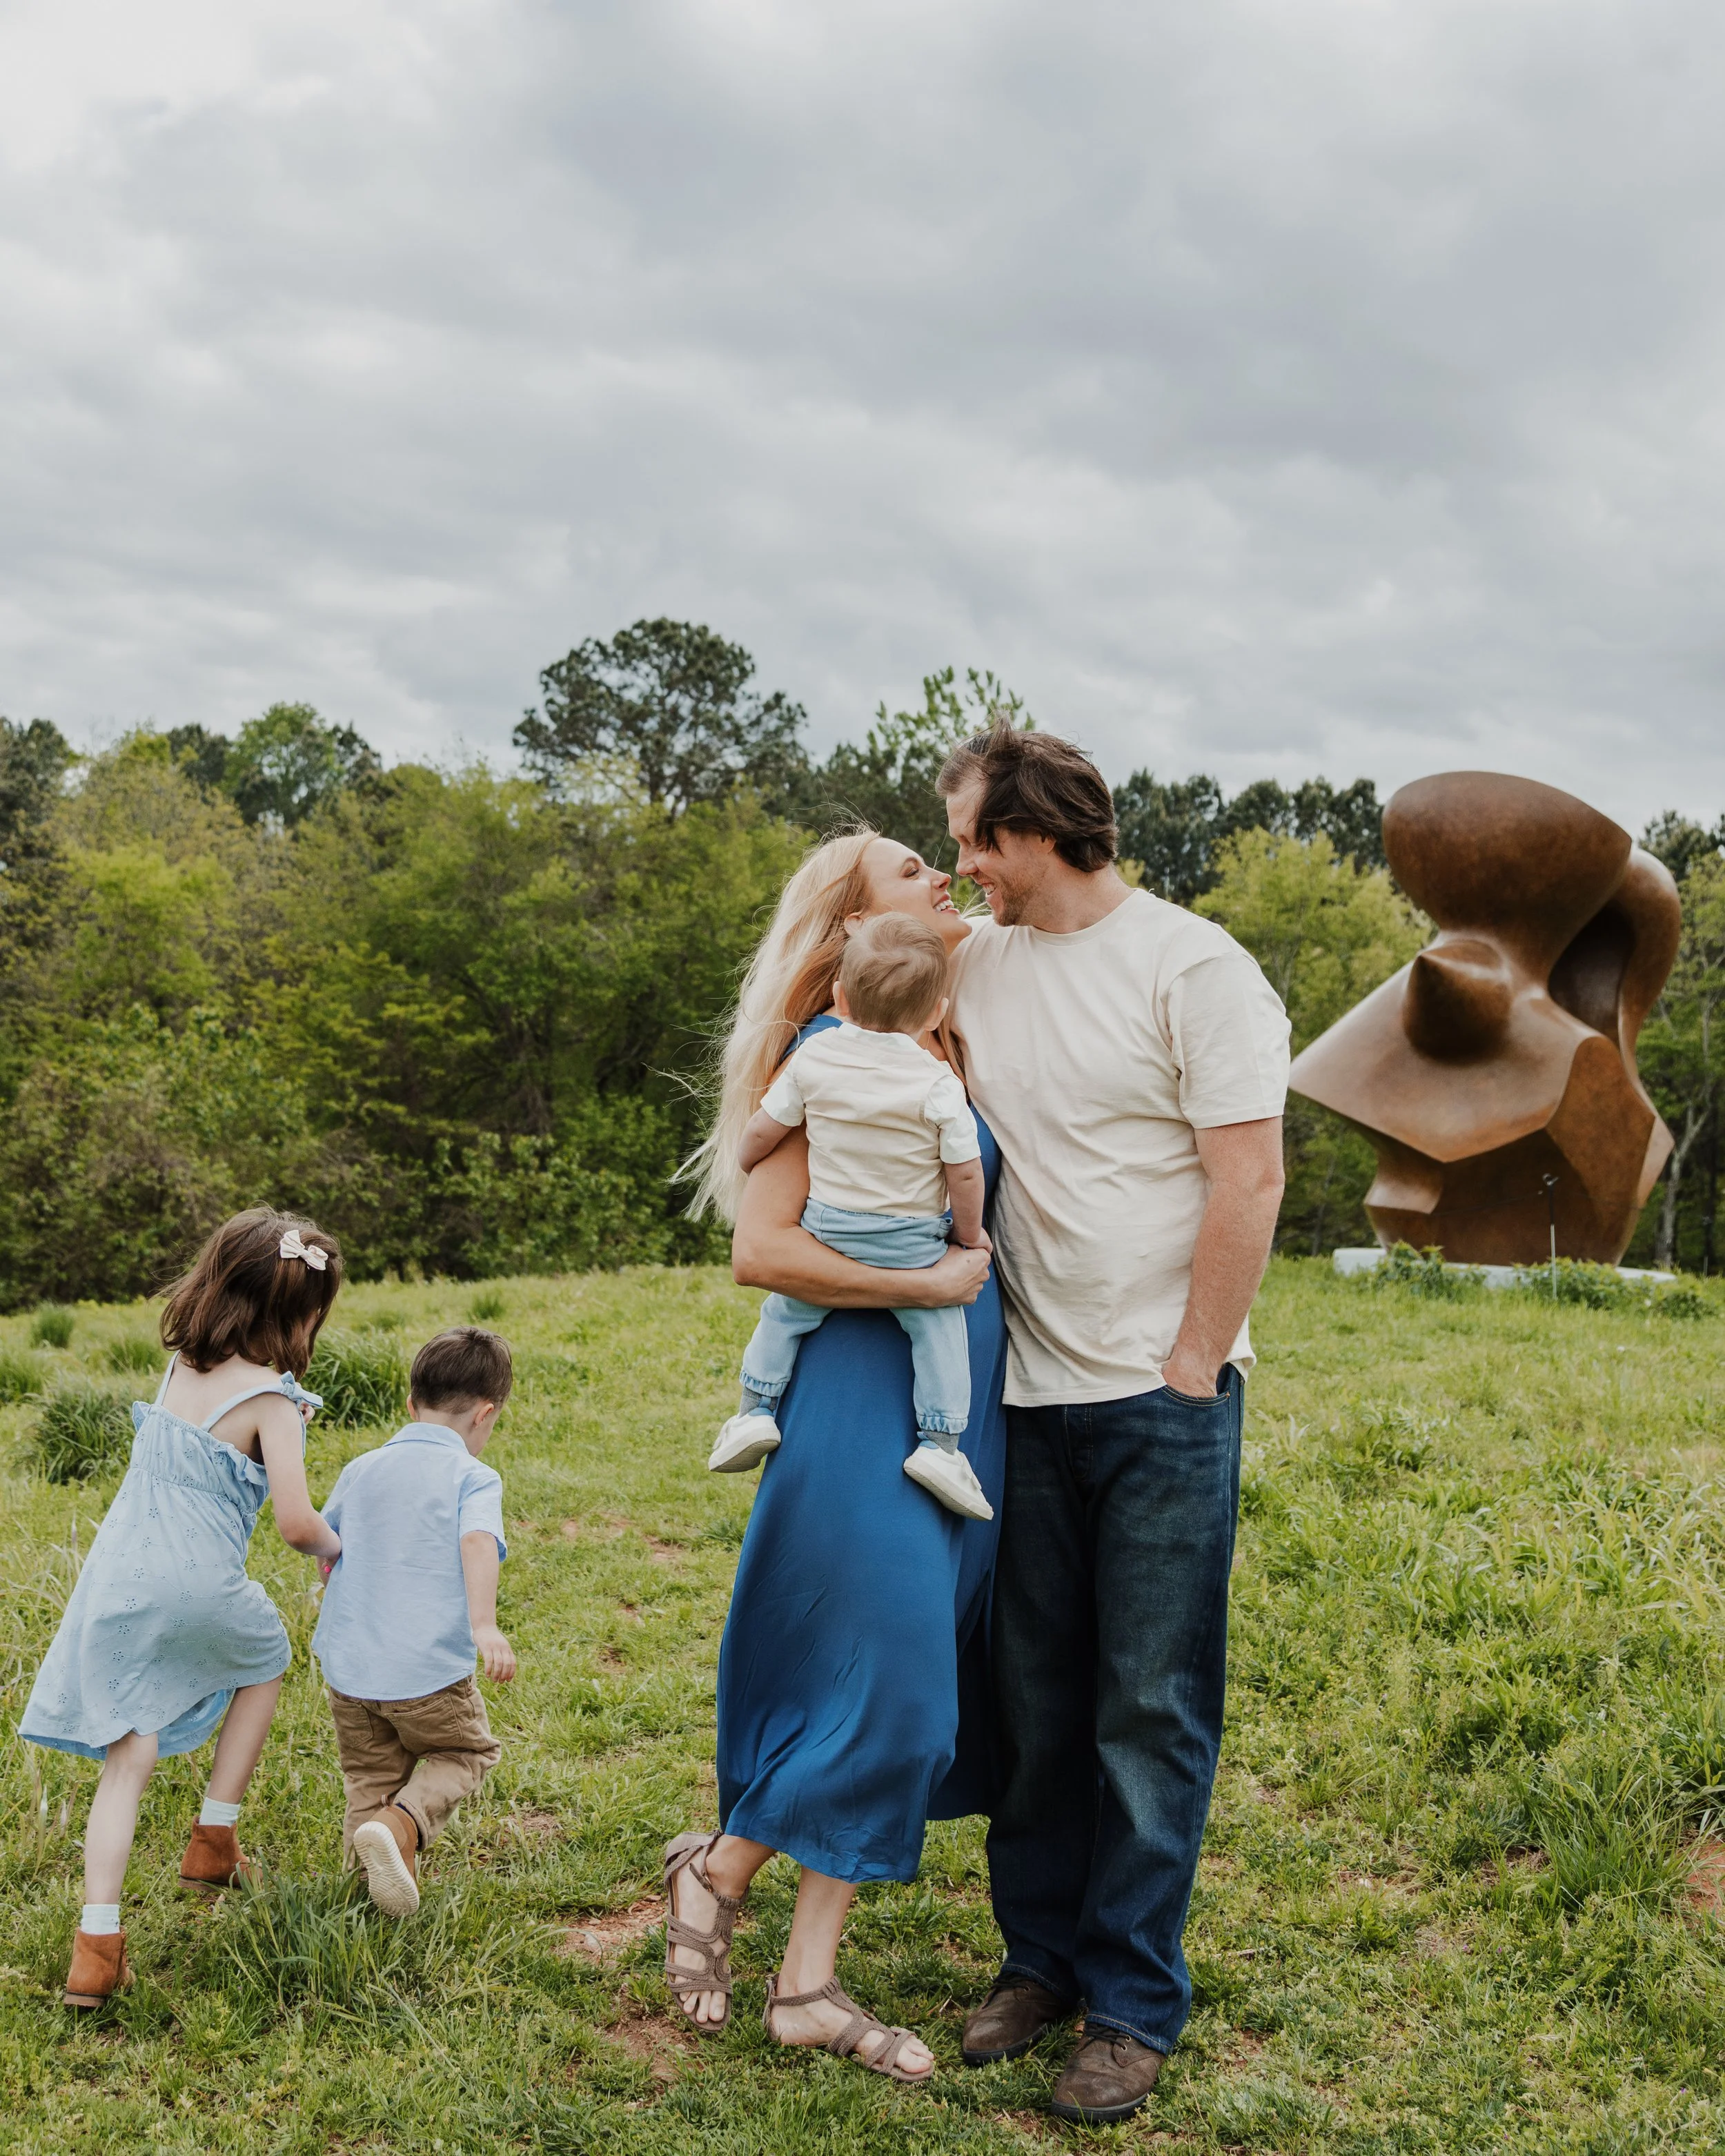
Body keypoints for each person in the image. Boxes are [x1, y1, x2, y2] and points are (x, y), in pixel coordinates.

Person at [940, 720, 1289, 2126]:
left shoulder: (1192, 966)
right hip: (1019, 1396)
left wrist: (1192, 1361)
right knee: (1033, 1701)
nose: (961, 865)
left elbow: (1248, 1179)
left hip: (1161, 1404)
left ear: (1032, 831)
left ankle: (1130, 1998)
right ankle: (1036, 1958)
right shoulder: (976, 962)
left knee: (1146, 1708)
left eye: (971, 837)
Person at [665, 830, 1001, 2086]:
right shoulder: (835, 1052)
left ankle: (807, 1983)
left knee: (899, 1683)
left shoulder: (947, 1036)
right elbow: (765, 1252)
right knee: (898, 1685)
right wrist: (924, 1281)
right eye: (916, 868)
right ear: (857, 927)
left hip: (961, 1409)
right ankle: (719, 1868)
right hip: (863, 1398)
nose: (944, 878)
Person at [19, 1209, 344, 2010]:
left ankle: (96, 1947)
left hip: (118, 1582)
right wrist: (339, 1548)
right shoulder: (273, 1400)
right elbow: (296, 1522)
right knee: (266, 1658)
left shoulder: (177, 1369)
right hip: (197, 1582)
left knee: (127, 1758)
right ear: (296, 1316)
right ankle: (214, 1833)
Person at [710, 911, 992, 1521]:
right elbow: (964, 1172)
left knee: (785, 1314)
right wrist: (967, 1237)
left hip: (831, 1229)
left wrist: (745, 1154)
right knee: (938, 1333)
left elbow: (767, 1127)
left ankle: (753, 1412)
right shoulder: (937, 1083)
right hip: (912, 1241)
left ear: (841, 994)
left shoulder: (815, 1058)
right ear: (936, 1012)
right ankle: (940, 1446)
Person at [312, 1327, 516, 1918]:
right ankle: (402, 1826)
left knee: (370, 1776)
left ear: (410, 1406)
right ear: (486, 1414)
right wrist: (484, 1624)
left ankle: (361, 1901)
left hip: (350, 1670)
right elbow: (477, 1539)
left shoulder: (361, 1468)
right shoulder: (473, 1476)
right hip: (427, 1672)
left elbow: (330, 1548)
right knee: (463, 1755)